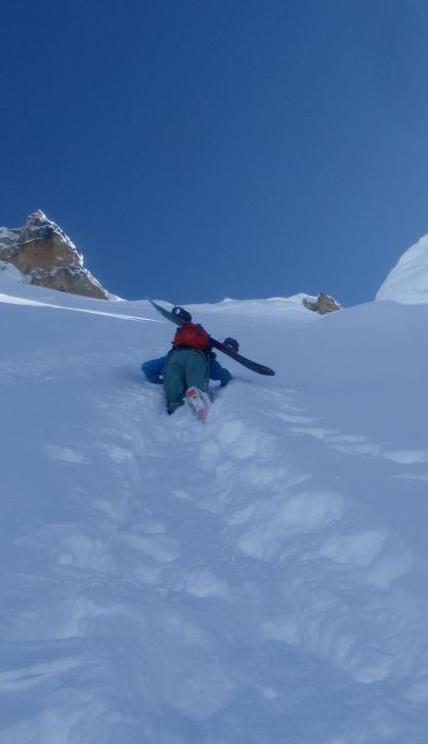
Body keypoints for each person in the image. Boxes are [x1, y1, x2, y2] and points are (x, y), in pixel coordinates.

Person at [142, 307, 238, 415]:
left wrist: (161, 381)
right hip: (198, 359)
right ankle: (198, 394)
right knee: (197, 382)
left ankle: (175, 405)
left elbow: (146, 368)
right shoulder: (206, 359)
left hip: (174, 358)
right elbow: (221, 374)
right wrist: (227, 379)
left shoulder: (167, 359)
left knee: (173, 388)